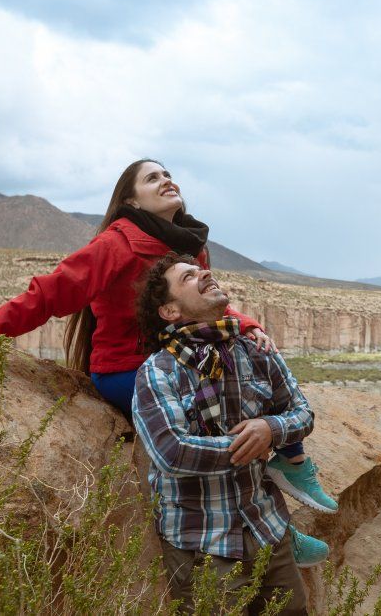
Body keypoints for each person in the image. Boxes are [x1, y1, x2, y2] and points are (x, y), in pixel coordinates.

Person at [0, 159, 335, 560]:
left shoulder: (187, 243)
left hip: (181, 362)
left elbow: (204, 303)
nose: (167, 181)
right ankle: (270, 532)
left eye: (168, 174)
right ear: (130, 201)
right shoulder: (115, 245)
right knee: (216, 416)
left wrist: (248, 324)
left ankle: (291, 462)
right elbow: (49, 293)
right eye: (152, 178)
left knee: (253, 365)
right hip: (127, 371)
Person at [132, 253, 327, 613]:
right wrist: (248, 444)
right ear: (170, 311)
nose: (205, 273)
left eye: (203, 270)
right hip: (202, 543)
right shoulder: (158, 372)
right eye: (189, 277)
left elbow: (302, 413)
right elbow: (172, 454)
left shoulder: (255, 350)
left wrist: (270, 428)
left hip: (269, 530)